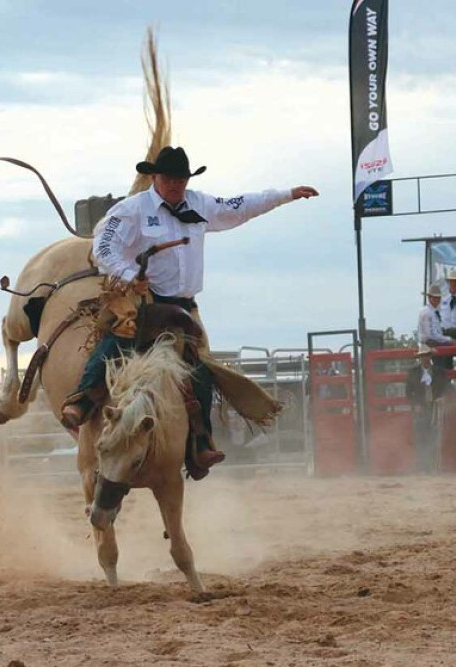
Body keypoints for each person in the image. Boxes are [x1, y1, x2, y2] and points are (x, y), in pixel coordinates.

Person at [59, 145, 319, 477]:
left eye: (181, 179)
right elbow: (104, 247)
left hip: (183, 308)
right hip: (144, 299)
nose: (176, 185)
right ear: (155, 177)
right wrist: (127, 276)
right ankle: (82, 400)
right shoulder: (131, 210)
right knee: (117, 340)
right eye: (169, 179)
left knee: (200, 369)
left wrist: (286, 194)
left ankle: (200, 442)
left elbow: (240, 206)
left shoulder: (200, 204)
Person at [405, 344, 449, 473]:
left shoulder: (440, 372)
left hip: (435, 408)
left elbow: (448, 389)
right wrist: (415, 405)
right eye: (422, 356)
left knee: (434, 437)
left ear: (430, 357)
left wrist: (443, 398)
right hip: (421, 409)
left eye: (426, 356)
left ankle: (433, 466)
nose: (425, 359)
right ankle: (422, 466)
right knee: (421, 438)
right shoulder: (413, 372)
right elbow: (408, 393)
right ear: (420, 358)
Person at [417, 284, 454, 349]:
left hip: (434, 343)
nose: (437, 300)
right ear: (429, 298)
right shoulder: (427, 312)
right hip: (430, 344)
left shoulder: (434, 312)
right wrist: (449, 340)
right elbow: (431, 335)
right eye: (435, 297)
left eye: (439, 298)